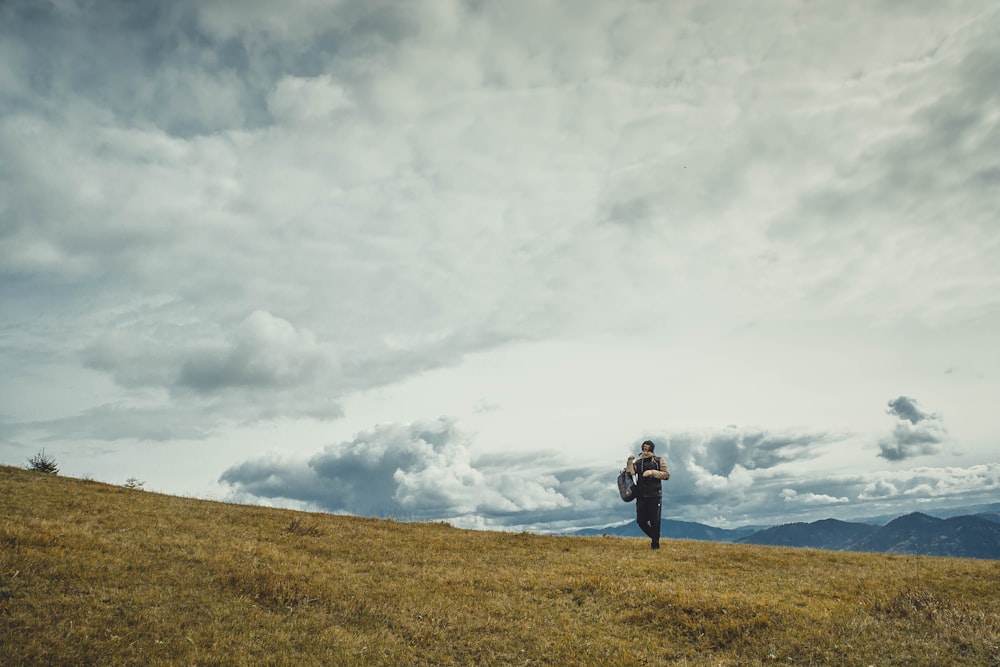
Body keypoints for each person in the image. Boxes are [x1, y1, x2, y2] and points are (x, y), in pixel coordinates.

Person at [626, 440, 670, 549]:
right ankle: (656, 536)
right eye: (643, 448)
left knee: (655, 521)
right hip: (641, 496)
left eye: (647, 448)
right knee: (641, 521)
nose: (645, 450)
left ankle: (655, 545)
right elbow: (631, 473)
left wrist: (652, 472)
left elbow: (666, 475)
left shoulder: (658, 460)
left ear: (651, 448)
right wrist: (629, 462)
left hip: (655, 495)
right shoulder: (638, 462)